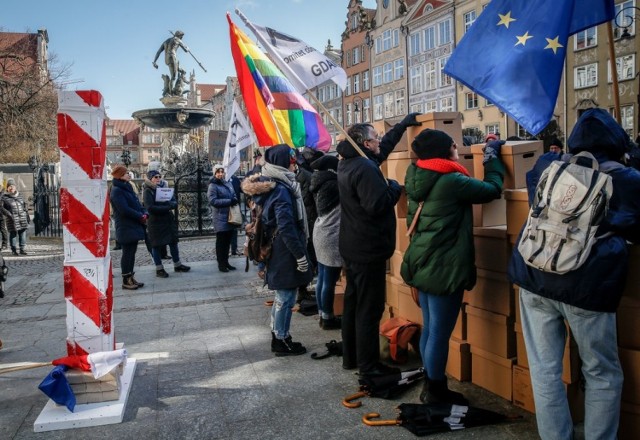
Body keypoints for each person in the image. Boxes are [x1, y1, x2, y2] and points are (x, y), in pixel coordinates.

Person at [508, 108, 640, 440]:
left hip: (534, 275)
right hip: (587, 285)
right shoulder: (625, 180)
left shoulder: (545, 167)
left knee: (545, 370)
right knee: (602, 373)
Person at [400, 130, 506, 404]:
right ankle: (435, 391)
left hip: (422, 260)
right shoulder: (451, 180)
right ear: (443, 151)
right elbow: (492, 190)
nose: (457, 146)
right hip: (443, 265)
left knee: (430, 326)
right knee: (439, 332)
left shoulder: (416, 173)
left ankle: (430, 381)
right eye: (452, 144)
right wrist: (492, 160)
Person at [336, 113, 421, 376]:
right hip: (367, 249)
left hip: (353, 245)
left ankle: (351, 357)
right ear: (364, 143)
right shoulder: (364, 167)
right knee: (369, 310)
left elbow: (384, 150)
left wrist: (403, 125)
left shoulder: (352, 162)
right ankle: (369, 367)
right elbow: (378, 204)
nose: (379, 141)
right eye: (375, 138)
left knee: (353, 304)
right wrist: (395, 187)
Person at [241, 144, 313, 356]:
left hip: (279, 248)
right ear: (283, 163)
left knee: (284, 295)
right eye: (292, 162)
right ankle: (281, 339)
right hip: (284, 249)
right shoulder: (281, 189)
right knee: (286, 296)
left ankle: (280, 335)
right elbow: (286, 226)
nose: (295, 166)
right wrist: (299, 254)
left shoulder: (274, 184)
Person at [309, 154, 342, 330]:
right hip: (331, 234)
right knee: (329, 278)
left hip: (320, 232)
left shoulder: (319, 183)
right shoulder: (333, 184)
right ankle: (328, 318)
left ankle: (323, 313)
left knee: (322, 276)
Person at [142, 170, 190, 278]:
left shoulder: (164, 188)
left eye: (159, 176)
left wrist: (171, 204)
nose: (158, 179)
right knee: (156, 245)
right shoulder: (147, 191)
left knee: (173, 242)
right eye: (155, 177)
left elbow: (173, 201)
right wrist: (167, 207)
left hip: (167, 220)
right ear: (150, 179)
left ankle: (177, 265)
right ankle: (159, 269)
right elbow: (150, 207)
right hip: (155, 222)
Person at [110, 165, 147, 290]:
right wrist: (139, 216)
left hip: (132, 224)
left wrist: (143, 212)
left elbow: (136, 203)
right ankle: (126, 279)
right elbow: (124, 209)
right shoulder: (116, 190)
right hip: (126, 225)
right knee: (127, 253)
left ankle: (131, 277)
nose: (129, 174)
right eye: (126, 173)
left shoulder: (127, 187)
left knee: (132, 252)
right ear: (120, 175)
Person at [207, 165, 238, 272]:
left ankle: (226, 262)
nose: (220, 174)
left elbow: (233, 194)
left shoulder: (227, 183)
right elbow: (213, 201)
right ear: (214, 173)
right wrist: (229, 202)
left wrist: (234, 199)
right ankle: (221, 264)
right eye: (218, 172)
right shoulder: (213, 186)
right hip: (220, 217)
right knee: (221, 242)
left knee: (228, 241)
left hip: (230, 216)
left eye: (222, 172)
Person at [3, 178, 30, 256]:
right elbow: (2, 208)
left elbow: (25, 204)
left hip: (22, 218)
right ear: (7, 188)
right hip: (12, 219)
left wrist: (26, 212)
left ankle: (22, 249)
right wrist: (8, 214)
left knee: (23, 233)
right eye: (10, 186)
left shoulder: (20, 195)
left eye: (13, 186)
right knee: (13, 234)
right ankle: (13, 250)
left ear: (15, 187)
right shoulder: (4, 197)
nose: (11, 188)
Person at [228, 174, 243, 257]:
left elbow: (242, 189)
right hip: (225, 208)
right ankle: (227, 249)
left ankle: (234, 249)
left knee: (234, 229)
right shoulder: (222, 179)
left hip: (235, 208)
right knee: (225, 231)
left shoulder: (235, 179)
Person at [0, 185, 11, 250]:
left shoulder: (3, 196)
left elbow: (8, 206)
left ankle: (4, 244)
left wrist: (6, 213)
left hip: (1, 216)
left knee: (3, 230)